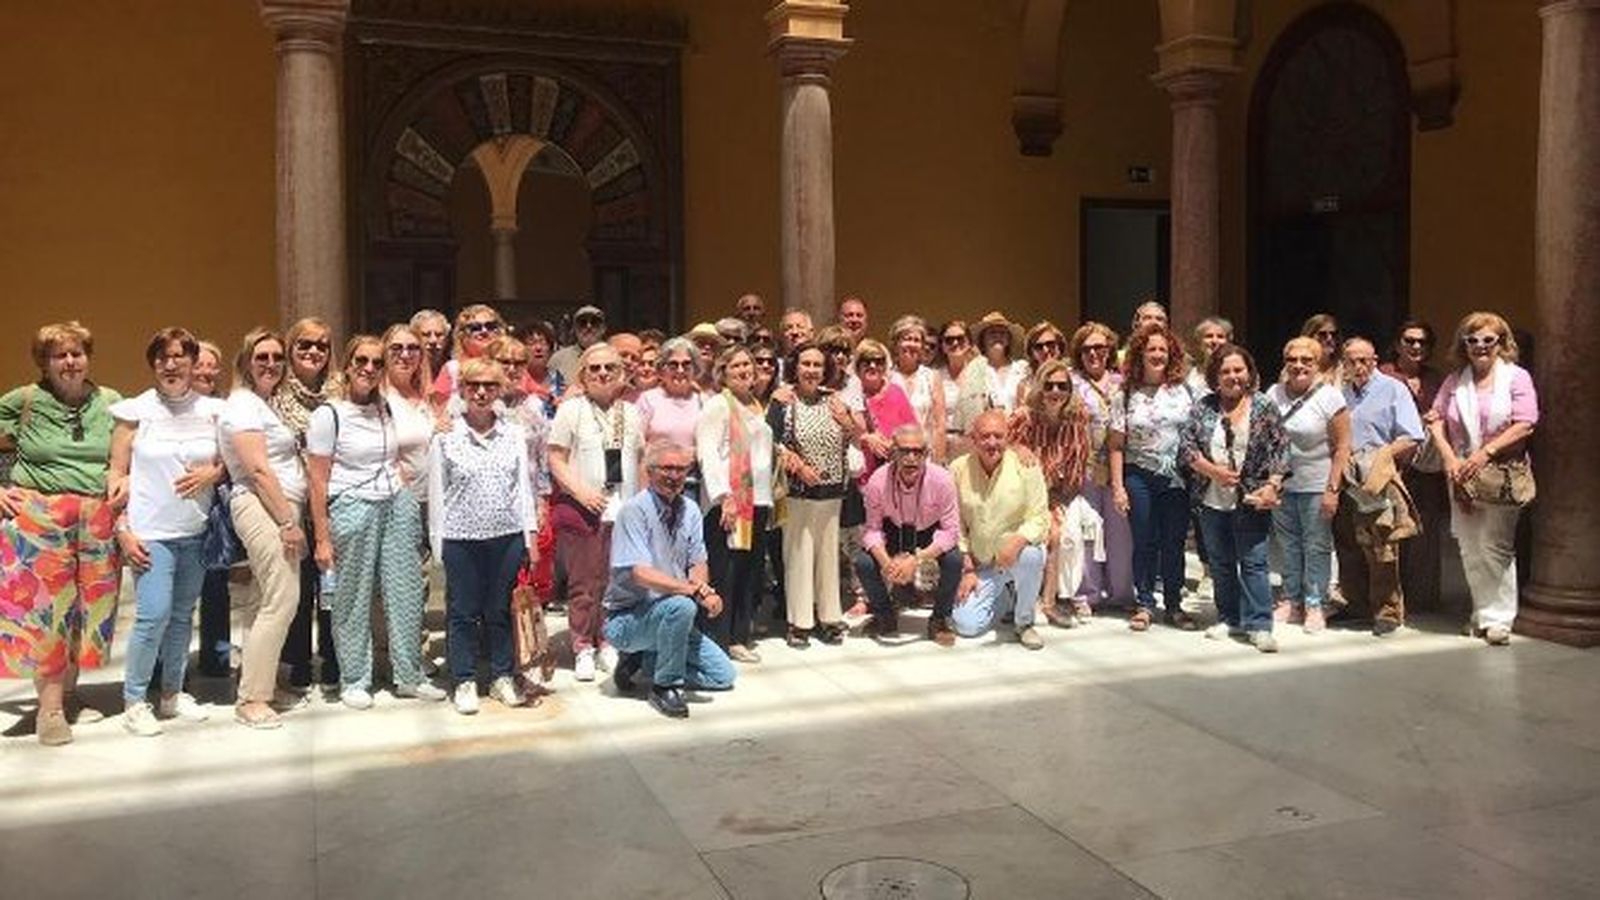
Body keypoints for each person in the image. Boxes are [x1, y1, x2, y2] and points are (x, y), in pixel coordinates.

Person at [0, 322, 123, 746]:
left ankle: (69, 695)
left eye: (77, 354)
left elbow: (127, 451)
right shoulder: (26, 400)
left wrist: (120, 477)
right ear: (44, 363)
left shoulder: (109, 402)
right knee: (45, 615)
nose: (70, 362)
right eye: (59, 356)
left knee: (87, 612)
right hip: (40, 520)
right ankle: (49, 711)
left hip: (95, 520)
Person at [307, 336, 445, 708]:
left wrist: (400, 488)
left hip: (395, 504)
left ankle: (409, 674)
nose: (369, 369)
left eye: (376, 363)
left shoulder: (385, 407)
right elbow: (317, 479)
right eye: (362, 361)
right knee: (353, 596)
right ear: (348, 366)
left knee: (406, 592)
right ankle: (355, 679)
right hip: (352, 506)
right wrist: (322, 536)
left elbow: (397, 454)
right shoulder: (329, 414)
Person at [109, 327, 227, 736]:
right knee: (152, 615)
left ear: (195, 362)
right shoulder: (134, 411)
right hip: (151, 532)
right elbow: (116, 475)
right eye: (162, 357)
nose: (171, 364)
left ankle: (172, 694)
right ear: (153, 364)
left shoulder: (215, 410)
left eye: (180, 356)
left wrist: (212, 472)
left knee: (181, 617)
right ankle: (134, 701)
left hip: (195, 531)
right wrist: (123, 529)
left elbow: (230, 462)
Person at [428, 358, 539, 714]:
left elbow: (524, 488)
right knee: (462, 610)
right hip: (461, 537)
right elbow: (437, 491)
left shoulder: (513, 435)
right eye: (474, 385)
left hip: (506, 535)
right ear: (461, 390)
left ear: (500, 390)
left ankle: (502, 674)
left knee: (499, 610)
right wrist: (438, 542)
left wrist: (529, 535)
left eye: (489, 386)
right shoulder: (446, 437)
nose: (481, 392)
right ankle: (463, 678)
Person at [1427, 312, 1539, 646]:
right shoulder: (1455, 380)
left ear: (1501, 343)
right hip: (1461, 473)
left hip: (1500, 472)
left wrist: (1485, 453)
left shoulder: (1517, 378)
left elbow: (1526, 422)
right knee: (1469, 547)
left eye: (1488, 340)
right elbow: (1435, 419)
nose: (1480, 347)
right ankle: (1481, 611)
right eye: (1472, 340)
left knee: (1496, 546)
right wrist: (1449, 457)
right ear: (1463, 345)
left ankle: (1499, 620)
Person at [603, 440, 736, 718]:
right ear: (650, 472)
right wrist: (688, 591)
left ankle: (647, 660)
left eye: (681, 469)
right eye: (667, 468)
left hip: (671, 612)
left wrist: (703, 589)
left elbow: (697, 561)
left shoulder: (690, 510)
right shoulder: (633, 511)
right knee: (683, 606)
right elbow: (639, 573)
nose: (674, 476)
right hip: (628, 618)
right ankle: (665, 686)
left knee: (723, 675)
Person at [220, 328, 308, 729]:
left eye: (277, 358)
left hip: (277, 504)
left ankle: (261, 681)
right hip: (263, 506)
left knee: (261, 598)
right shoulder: (241, 404)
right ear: (245, 362)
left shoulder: (263, 404)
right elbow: (257, 469)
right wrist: (287, 521)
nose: (271, 364)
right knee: (283, 597)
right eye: (262, 357)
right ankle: (252, 699)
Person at [1181, 344, 1290, 653]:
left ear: (1249, 372)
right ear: (1215, 376)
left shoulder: (1264, 406)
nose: (1232, 376)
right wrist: (1212, 471)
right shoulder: (1204, 407)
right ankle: (1229, 617)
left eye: (1238, 370)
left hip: (1252, 498)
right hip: (1211, 499)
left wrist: (1273, 485)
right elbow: (1186, 447)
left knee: (1254, 562)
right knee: (1221, 562)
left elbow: (1281, 448)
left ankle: (1259, 625)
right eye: (1225, 371)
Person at [548, 343, 643, 681]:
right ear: (583, 376)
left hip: (623, 507)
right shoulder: (571, 410)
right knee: (584, 584)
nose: (602, 374)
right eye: (594, 369)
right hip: (584, 509)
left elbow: (641, 460)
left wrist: (641, 504)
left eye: (610, 368)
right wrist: (581, 492)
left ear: (622, 374)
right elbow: (556, 458)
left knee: (616, 582)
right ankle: (582, 646)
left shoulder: (631, 413)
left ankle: (608, 640)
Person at [1336, 337, 1425, 636]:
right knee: (1347, 543)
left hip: (1378, 478)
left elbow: (1412, 435)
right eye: (1351, 361)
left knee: (1382, 546)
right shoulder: (1340, 392)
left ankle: (1387, 610)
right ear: (1343, 362)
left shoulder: (1393, 389)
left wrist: (1384, 455)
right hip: (1346, 478)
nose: (1358, 366)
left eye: (1364, 360)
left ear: (1375, 360)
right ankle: (1356, 604)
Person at [770, 341, 855, 647]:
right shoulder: (782, 400)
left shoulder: (834, 399)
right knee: (798, 554)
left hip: (832, 491)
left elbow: (853, 434)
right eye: (806, 364)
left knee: (828, 555)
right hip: (798, 491)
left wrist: (846, 420)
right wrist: (798, 466)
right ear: (795, 366)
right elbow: (773, 441)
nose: (811, 370)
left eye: (817, 365)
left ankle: (830, 618)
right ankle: (800, 622)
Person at [1115, 322, 1198, 632]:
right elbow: (1115, 445)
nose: (1158, 354)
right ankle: (1146, 603)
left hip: (1176, 478)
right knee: (1144, 540)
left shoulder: (1184, 391)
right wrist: (1118, 486)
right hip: (1139, 476)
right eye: (1152, 349)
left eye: (1163, 349)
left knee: (1174, 542)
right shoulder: (1125, 394)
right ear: (1140, 354)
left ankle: (1174, 604)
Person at [695, 346, 775, 663]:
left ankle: (739, 635)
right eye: (736, 365)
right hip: (729, 503)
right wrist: (724, 496)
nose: (744, 370)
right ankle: (719, 637)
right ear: (723, 372)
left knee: (749, 569)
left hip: (758, 500)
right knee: (725, 570)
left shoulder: (756, 405)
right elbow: (708, 452)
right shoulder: (718, 405)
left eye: (748, 365)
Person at [273, 316, 341, 690]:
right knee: (295, 585)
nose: (314, 352)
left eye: (321, 346)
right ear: (290, 349)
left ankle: (331, 656)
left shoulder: (341, 391)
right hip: (292, 498)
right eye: (305, 345)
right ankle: (296, 660)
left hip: (334, 496)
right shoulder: (275, 393)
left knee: (334, 581)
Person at [1266, 337, 1350, 634]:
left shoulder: (1330, 397)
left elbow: (1342, 447)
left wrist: (1332, 489)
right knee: (1288, 545)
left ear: (1317, 364)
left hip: (1317, 482)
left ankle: (1315, 602)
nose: (1299, 365)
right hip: (1282, 484)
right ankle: (1291, 599)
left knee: (1316, 546)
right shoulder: (1273, 394)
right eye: (1293, 359)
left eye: (1306, 360)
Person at [950, 410, 1050, 650]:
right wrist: (968, 568)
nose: (992, 443)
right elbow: (955, 523)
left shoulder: (1026, 465)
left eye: (998, 436)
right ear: (973, 439)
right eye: (985, 437)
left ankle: (1024, 622)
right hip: (981, 563)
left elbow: (1039, 516)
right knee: (966, 626)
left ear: (1008, 438)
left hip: (1015, 557)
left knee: (1032, 556)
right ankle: (1006, 596)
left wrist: (1017, 542)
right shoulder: (957, 469)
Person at [856, 424, 962, 645]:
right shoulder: (877, 479)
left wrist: (917, 560)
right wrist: (888, 565)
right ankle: (884, 615)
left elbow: (951, 531)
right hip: (894, 529)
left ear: (927, 454)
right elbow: (872, 530)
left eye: (918, 451)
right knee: (864, 562)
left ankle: (940, 618)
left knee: (954, 559)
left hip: (928, 533)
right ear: (893, 452)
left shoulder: (942, 479)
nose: (911, 458)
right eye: (904, 451)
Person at [1007, 359, 1091, 628]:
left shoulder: (1077, 418)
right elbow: (1000, 447)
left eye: (1062, 386)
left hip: (1056, 494)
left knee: (1059, 532)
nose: (1056, 391)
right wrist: (1017, 448)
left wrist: (1058, 500)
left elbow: (1078, 466)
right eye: (1049, 385)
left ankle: (1050, 602)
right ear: (1039, 387)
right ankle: (1028, 601)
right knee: (1047, 534)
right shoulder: (1023, 417)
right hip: (1018, 495)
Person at [1067, 322, 1134, 617]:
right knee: (1087, 529)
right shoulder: (1071, 382)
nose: (1094, 353)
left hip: (1121, 467)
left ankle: (1121, 592)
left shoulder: (1124, 382)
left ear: (1109, 351)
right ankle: (1086, 593)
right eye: (1088, 349)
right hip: (1086, 468)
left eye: (1100, 348)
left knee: (1121, 531)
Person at [1383, 319, 1448, 614]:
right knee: (1392, 533)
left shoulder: (1437, 379)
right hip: (1394, 465)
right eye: (1409, 340)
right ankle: (1391, 599)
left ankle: (1423, 599)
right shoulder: (1383, 376)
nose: (1416, 346)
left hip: (1427, 469)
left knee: (1426, 532)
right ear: (1397, 344)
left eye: (1423, 342)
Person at [191, 339, 234, 678]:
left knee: (216, 587)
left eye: (211, 365)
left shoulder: (226, 407)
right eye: (199, 364)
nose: (206, 371)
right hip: (173, 511)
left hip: (214, 511)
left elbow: (235, 455)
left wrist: (216, 472)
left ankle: (216, 658)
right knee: (175, 593)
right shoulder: (168, 405)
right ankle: (164, 669)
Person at [887, 315, 949, 462]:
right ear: (896, 344)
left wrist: (938, 461)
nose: (912, 344)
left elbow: (939, 424)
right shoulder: (886, 377)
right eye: (907, 339)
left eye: (917, 341)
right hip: (893, 455)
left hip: (923, 455)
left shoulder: (931, 377)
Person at [936, 319, 985, 459]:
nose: (955, 343)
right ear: (942, 346)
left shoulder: (983, 373)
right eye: (949, 340)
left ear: (969, 343)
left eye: (960, 339)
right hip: (945, 445)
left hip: (977, 445)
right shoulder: (935, 377)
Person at [974, 311, 1029, 413]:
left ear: (1008, 339)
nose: (998, 336)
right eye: (992, 333)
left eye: (1002, 333)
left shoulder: (1022, 369)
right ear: (983, 339)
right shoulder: (975, 370)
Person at [549, 304, 607, 385]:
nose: (588, 326)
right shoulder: (559, 359)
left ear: (603, 328)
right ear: (575, 329)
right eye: (583, 323)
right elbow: (554, 392)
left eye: (594, 322)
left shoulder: (614, 356)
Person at [1014, 321, 1068, 407]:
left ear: (1060, 347)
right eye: (1039, 347)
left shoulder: (1073, 379)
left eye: (1050, 344)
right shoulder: (1025, 386)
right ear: (1032, 353)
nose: (1045, 350)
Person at [522, 319, 564, 416]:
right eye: (531, 343)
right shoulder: (516, 378)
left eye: (543, 343)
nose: (538, 348)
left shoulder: (558, 379)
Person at [1187, 316, 1233, 397]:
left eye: (1220, 337)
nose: (1214, 341)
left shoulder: (1236, 370)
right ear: (1199, 341)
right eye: (1209, 336)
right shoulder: (1188, 371)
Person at [410, 309, 452, 377]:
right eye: (426, 335)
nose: (433, 340)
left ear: (446, 339)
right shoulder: (405, 372)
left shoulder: (454, 371)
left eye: (439, 335)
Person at [1302, 314, 1341, 381]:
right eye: (1323, 334)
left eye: (1333, 334)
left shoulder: (1345, 369)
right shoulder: (1298, 368)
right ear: (1309, 336)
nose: (1329, 338)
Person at [608, 332, 645, 401]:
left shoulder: (640, 400)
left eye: (634, 358)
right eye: (623, 355)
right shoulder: (585, 394)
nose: (628, 361)